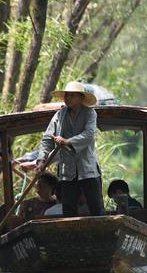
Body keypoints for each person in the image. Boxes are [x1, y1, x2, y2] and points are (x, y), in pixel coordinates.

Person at [36, 81, 104, 217]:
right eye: (67, 96)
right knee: (68, 209)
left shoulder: (90, 113)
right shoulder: (59, 115)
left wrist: (68, 141)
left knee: (96, 206)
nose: (68, 98)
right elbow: (47, 139)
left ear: (81, 98)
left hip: (87, 169)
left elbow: (89, 135)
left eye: (72, 96)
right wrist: (41, 159)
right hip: (68, 170)